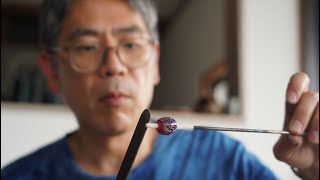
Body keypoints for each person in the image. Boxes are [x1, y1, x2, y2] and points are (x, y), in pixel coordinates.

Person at [1, 0, 319, 179]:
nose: (113, 65)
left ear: (154, 63)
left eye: (130, 44)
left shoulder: (223, 160)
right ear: (52, 72)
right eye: (86, 47)